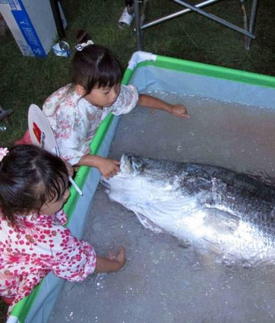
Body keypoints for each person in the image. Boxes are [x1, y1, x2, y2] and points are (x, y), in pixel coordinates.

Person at [16, 30, 189, 179]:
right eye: (107, 91)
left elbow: (137, 99)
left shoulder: (106, 91)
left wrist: (170, 108)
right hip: (51, 140)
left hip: (72, 135)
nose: (114, 95)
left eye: (116, 86)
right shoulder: (72, 114)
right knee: (64, 175)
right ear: (82, 90)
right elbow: (65, 153)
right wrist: (98, 161)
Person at [0, 145, 126, 313]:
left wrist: (61, 169)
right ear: (30, 210)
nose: (67, 194)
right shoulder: (51, 239)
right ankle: (12, 298)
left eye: (65, 184)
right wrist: (115, 265)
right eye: (59, 196)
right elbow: (81, 262)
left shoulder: (8, 183)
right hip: (12, 277)